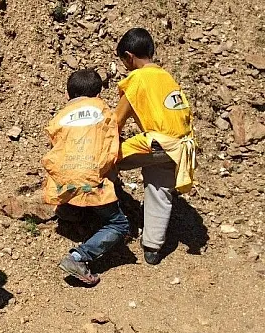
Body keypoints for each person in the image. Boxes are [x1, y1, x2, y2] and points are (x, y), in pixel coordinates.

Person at [115, 28, 197, 265]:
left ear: (129, 56)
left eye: (124, 61)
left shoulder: (138, 79)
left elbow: (116, 121)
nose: (125, 66)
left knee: (106, 159)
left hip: (158, 142)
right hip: (180, 147)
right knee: (160, 188)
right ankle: (152, 247)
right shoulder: (166, 77)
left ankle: (105, 218)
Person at [42, 69, 130, 285]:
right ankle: (78, 257)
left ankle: (69, 211)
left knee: (72, 184)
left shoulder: (59, 117)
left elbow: (56, 148)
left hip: (63, 182)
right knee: (119, 225)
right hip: (90, 179)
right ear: (98, 94)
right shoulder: (104, 111)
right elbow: (110, 151)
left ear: (67, 94)